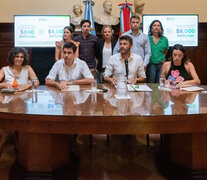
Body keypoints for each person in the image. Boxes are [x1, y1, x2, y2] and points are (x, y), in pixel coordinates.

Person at [0, 47, 39, 158]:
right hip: (7, 102)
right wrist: (4, 84)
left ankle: (21, 147)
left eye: (22, 57)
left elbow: (36, 82)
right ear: (13, 57)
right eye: (17, 56)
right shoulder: (5, 69)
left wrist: (27, 85)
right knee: (8, 122)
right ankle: (4, 144)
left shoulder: (27, 68)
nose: (19, 59)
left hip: (24, 102)